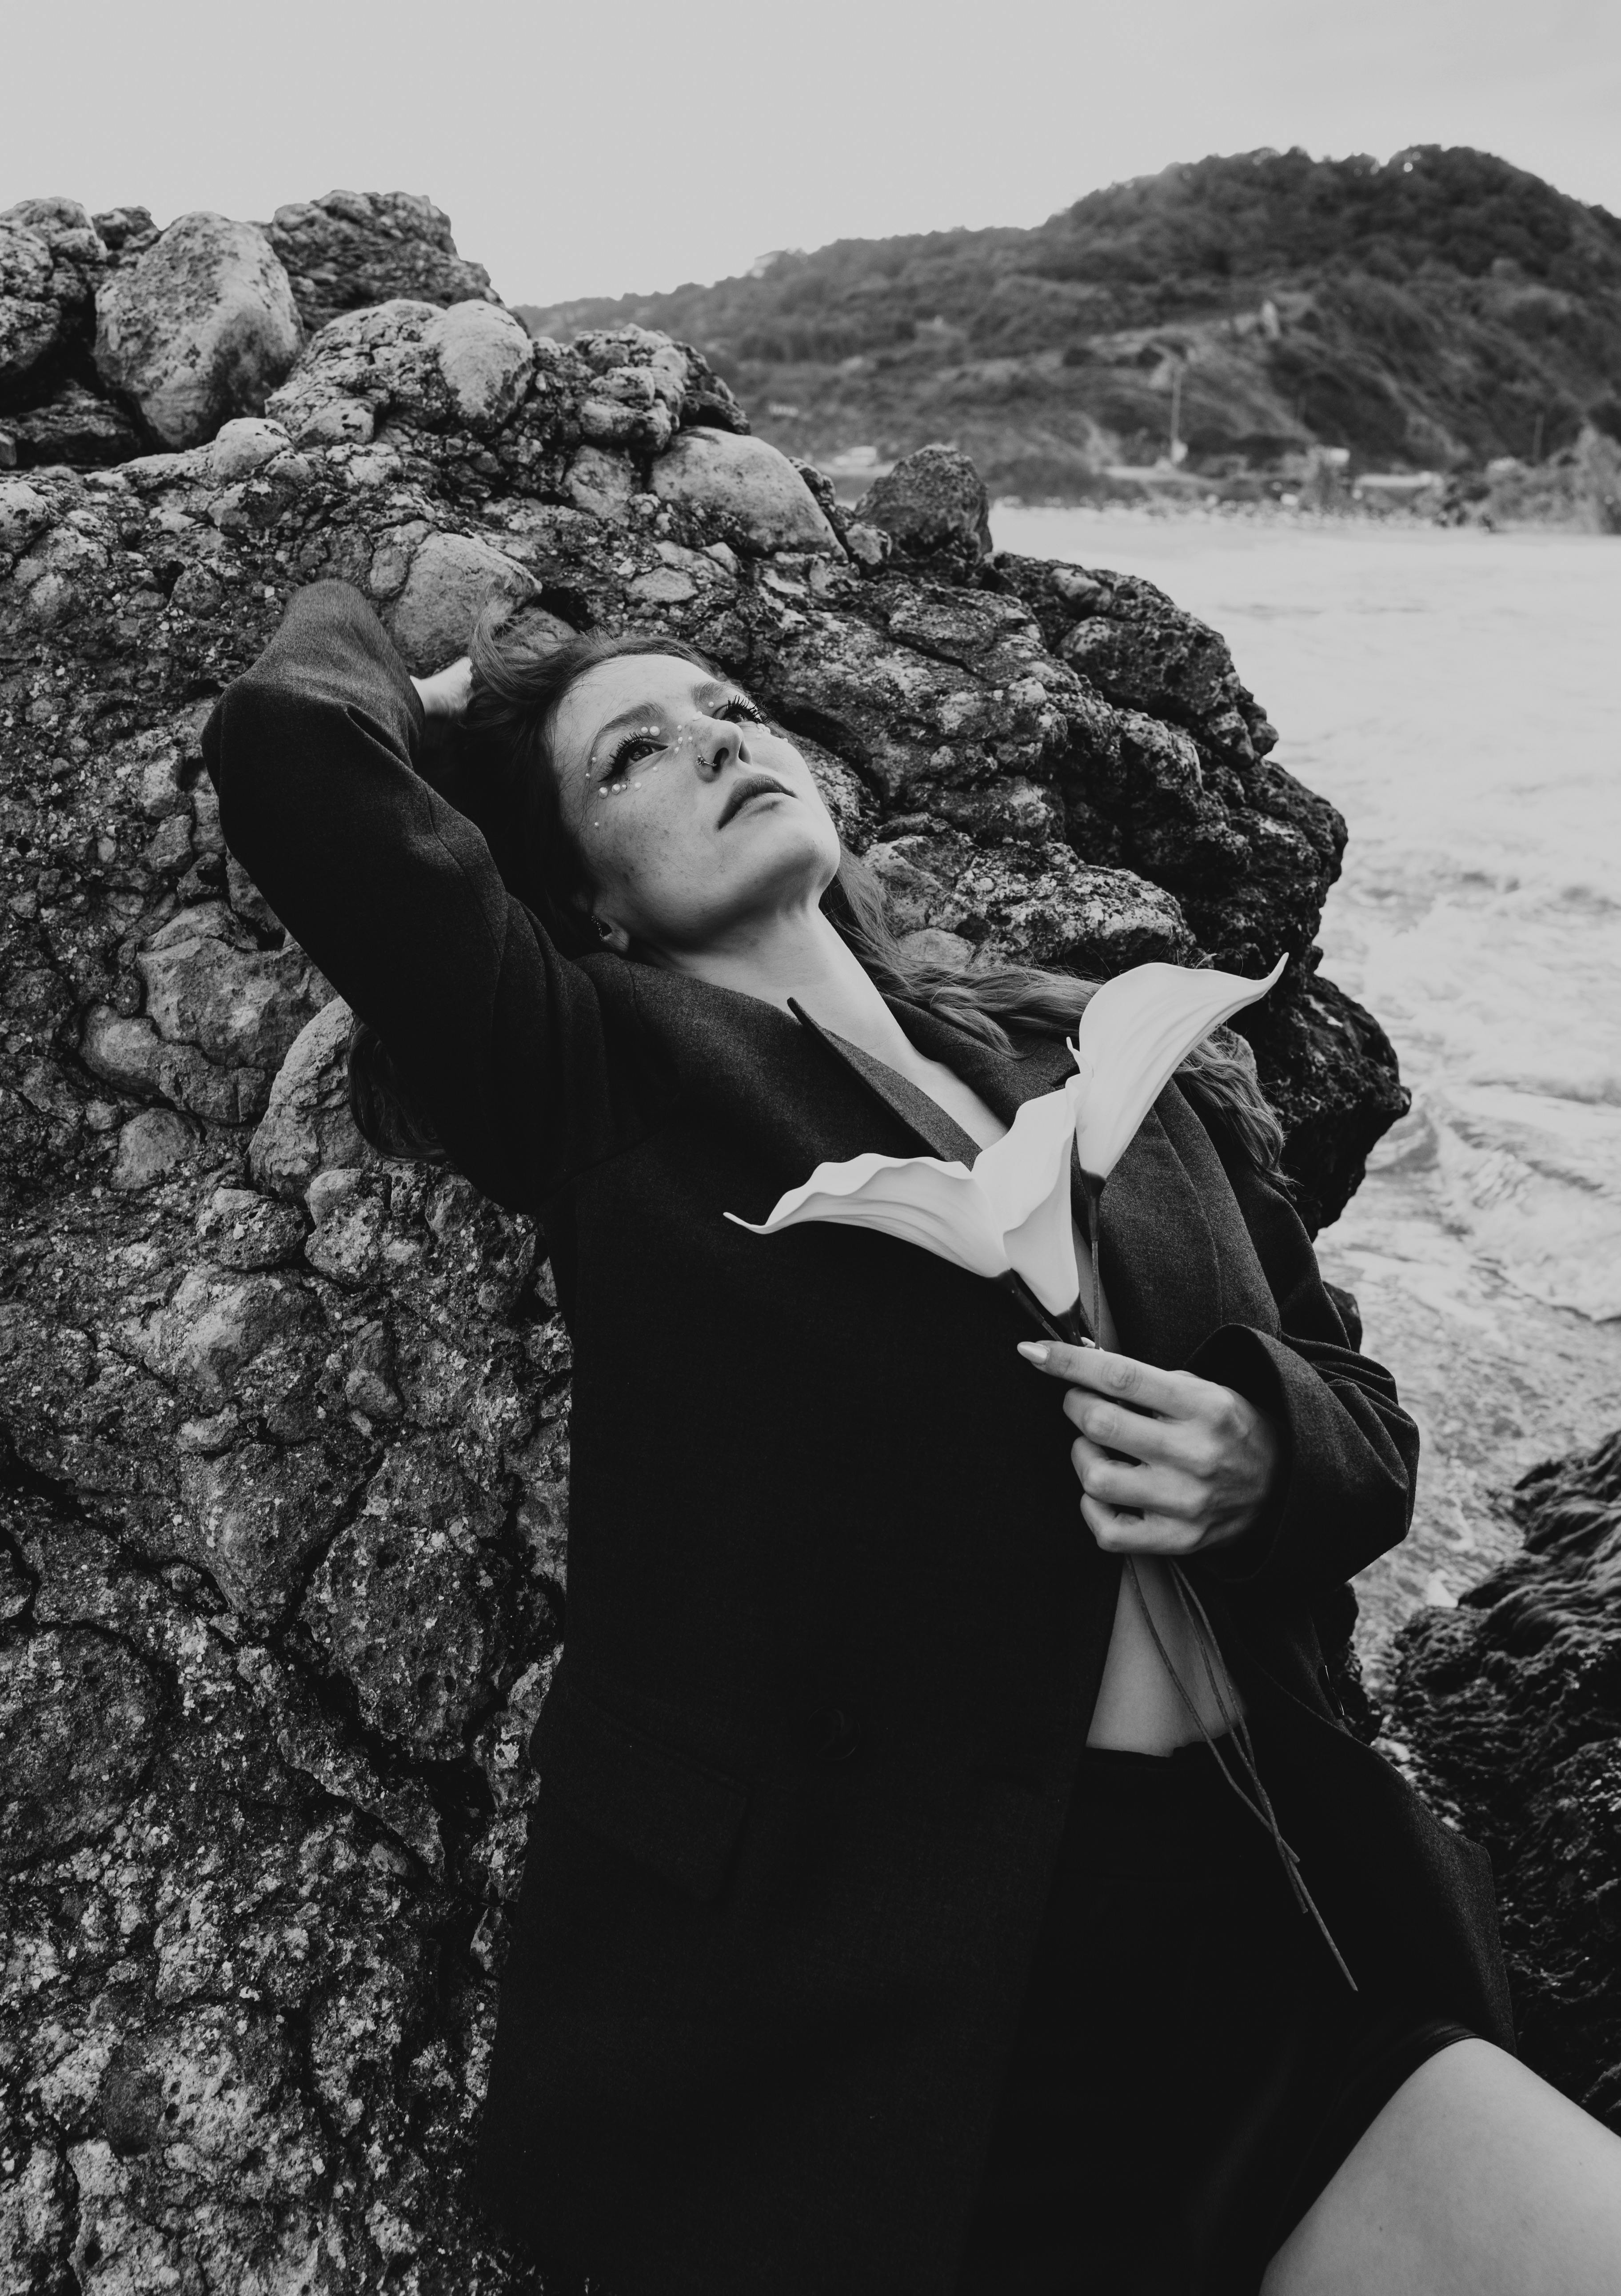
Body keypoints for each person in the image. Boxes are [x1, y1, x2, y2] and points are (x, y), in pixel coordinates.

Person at [204, 578, 1621, 2296]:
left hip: (1277, 1935)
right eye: (632, 756)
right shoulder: (601, 1075)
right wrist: (428, 662)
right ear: (584, 892)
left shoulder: (1105, 1053)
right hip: (898, 2022)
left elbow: (1369, 1429)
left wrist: (1261, 1451)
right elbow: (293, 751)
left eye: (729, 706)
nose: (715, 740)